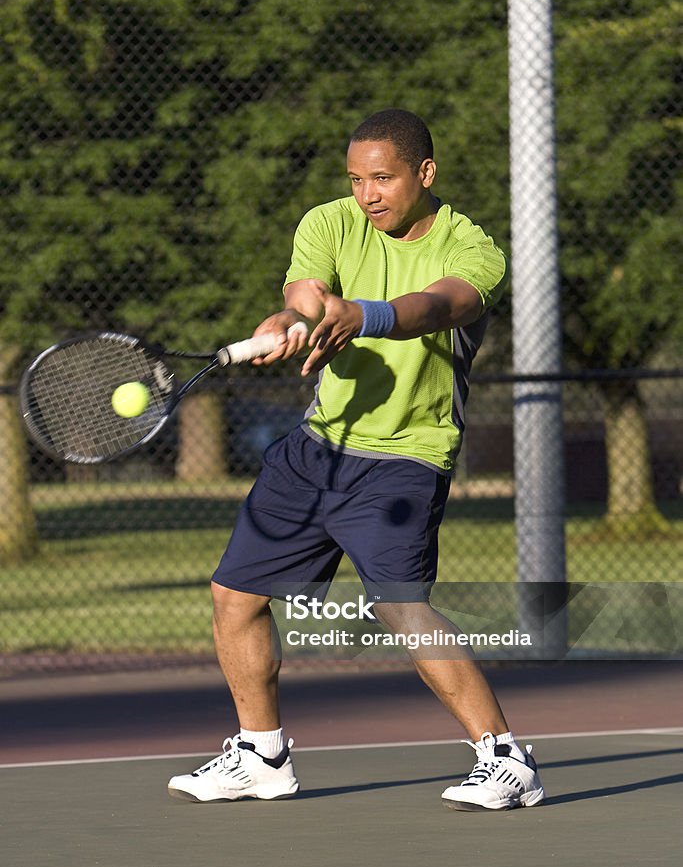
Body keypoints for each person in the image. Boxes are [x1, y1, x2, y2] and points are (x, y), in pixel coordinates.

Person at [168, 109, 545, 811]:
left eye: (383, 178)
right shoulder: (328, 222)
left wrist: (362, 315)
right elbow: (306, 295)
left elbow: (437, 306)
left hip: (406, 455)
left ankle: (505, 760)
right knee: (234, 596)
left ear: (423, 174)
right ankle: (262, 754)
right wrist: (287, 322)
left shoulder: (473, 248)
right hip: (315, 450)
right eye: (356, 178)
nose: (367, 193)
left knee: (399, 608)